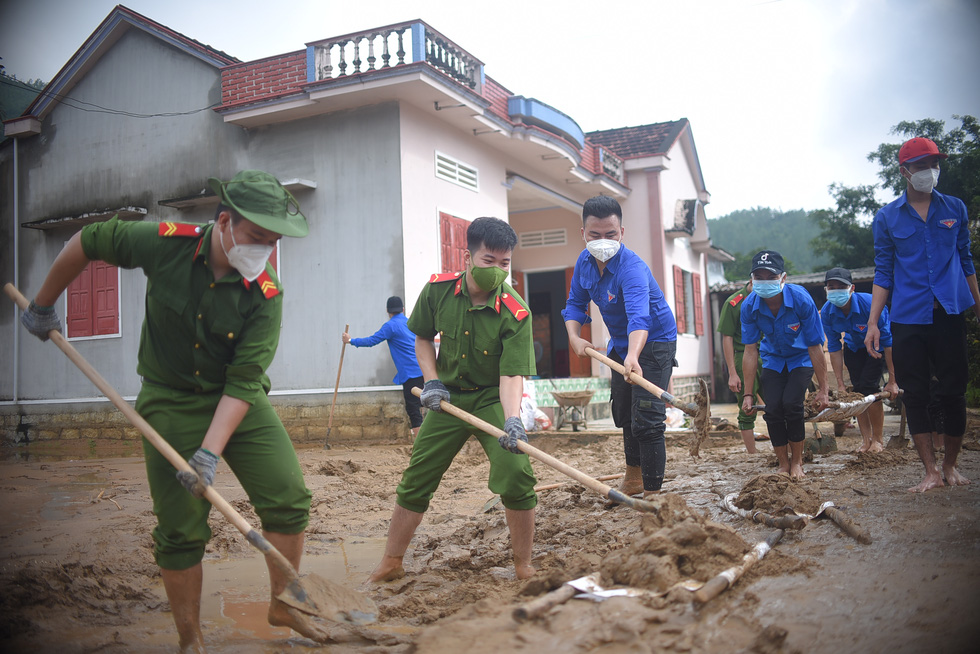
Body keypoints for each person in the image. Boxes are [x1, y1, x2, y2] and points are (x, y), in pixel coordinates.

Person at [20, 170, 325, 651]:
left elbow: (245, 381)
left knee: (288, 495)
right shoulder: (166, 244)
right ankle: (191, 638)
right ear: (224, 221)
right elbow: (88, 239)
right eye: (256, 237)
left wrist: (208, 454)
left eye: (273, 242)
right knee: (181, 526)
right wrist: (43, 304)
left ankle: (283, 605)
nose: (263, 251)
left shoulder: (267, 295)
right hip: (169, 400)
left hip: (237, 401)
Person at [368, 217, 538, 583]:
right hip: (448, 399)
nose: (498, 270)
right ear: (468, 257)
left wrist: (512, 419)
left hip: (492, 398)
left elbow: (511, 373)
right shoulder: (438, 291)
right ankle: (392, 561)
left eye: (505, 263)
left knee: (516, 473)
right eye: (489, 261)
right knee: (417, 475)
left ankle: (523, 565)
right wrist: (431, 382)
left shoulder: (515, 310)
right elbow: (423, 338)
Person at [865, 136, 980, 492]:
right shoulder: (887, 218)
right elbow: (884, 272)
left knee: (953, 390)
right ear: (905, 172)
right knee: (915, 394)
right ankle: (930, 471)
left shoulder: (955, 209)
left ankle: (950, 466)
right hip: (908, 317)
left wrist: (978, 303)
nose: (930, 171)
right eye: (921, 166)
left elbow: (965, 260)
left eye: (934, 164)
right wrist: (873, 322)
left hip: (949, 312)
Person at [562, 196, 678, 498]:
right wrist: (574, 337)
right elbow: (575, 304)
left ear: (621, 233)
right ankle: (633, 478)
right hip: (621, 342)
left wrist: (634, 356)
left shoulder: (632, 268)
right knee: (625, 413)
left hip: (653, 342)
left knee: (648, 419)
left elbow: (641, 318)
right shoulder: (583, 263)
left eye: (610, 234)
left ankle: (653, 497)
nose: (603, 241)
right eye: (595, 235)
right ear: (583, 233)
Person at [740, 250, 829, 479]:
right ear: (752, 280)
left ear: (783, 278)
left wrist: (823, 390)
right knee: (773, 409)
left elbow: (815, 346)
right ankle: (782, 464)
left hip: (801, 358)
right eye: (759, 277)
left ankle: (797, 462)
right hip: (774, 360)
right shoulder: (749, 306)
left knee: (791, 404)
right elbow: (750, 351)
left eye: (771, 277)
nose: (765, 282)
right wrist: (748, 394)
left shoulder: (801, 300)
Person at [821, 267, 900, 453]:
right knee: (857, 394)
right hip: (853, 348)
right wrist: (840, 383)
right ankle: (866, 440)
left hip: (876, 347)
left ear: (852, 288)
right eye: (831, 287)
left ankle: (878, 440)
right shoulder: (827, 312)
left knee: (869, 388)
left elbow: (889, 343)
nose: (835, 290)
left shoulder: (871, 305)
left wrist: (893, 381)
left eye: (841, 286)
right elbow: (833, 347)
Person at [343, 296, 424, 437]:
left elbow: (371, 341)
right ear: (403, 309)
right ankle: (425, 437)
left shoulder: (390, 326)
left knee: (413, 409)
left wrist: (350, 340)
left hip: (410, 373)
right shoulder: (411, 322)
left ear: (388, 311)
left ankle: (421, 442)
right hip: (424, 368)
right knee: (424, 404)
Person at [717, 279, 767, 453]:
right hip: (743, 356)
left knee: (777, 404)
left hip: (770, 357)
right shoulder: (734, 302)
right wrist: (732, 372)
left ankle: (781, 447)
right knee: (747, 406)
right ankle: (752, 453)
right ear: (752, 279)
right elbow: (727, 337)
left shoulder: (770, 298)